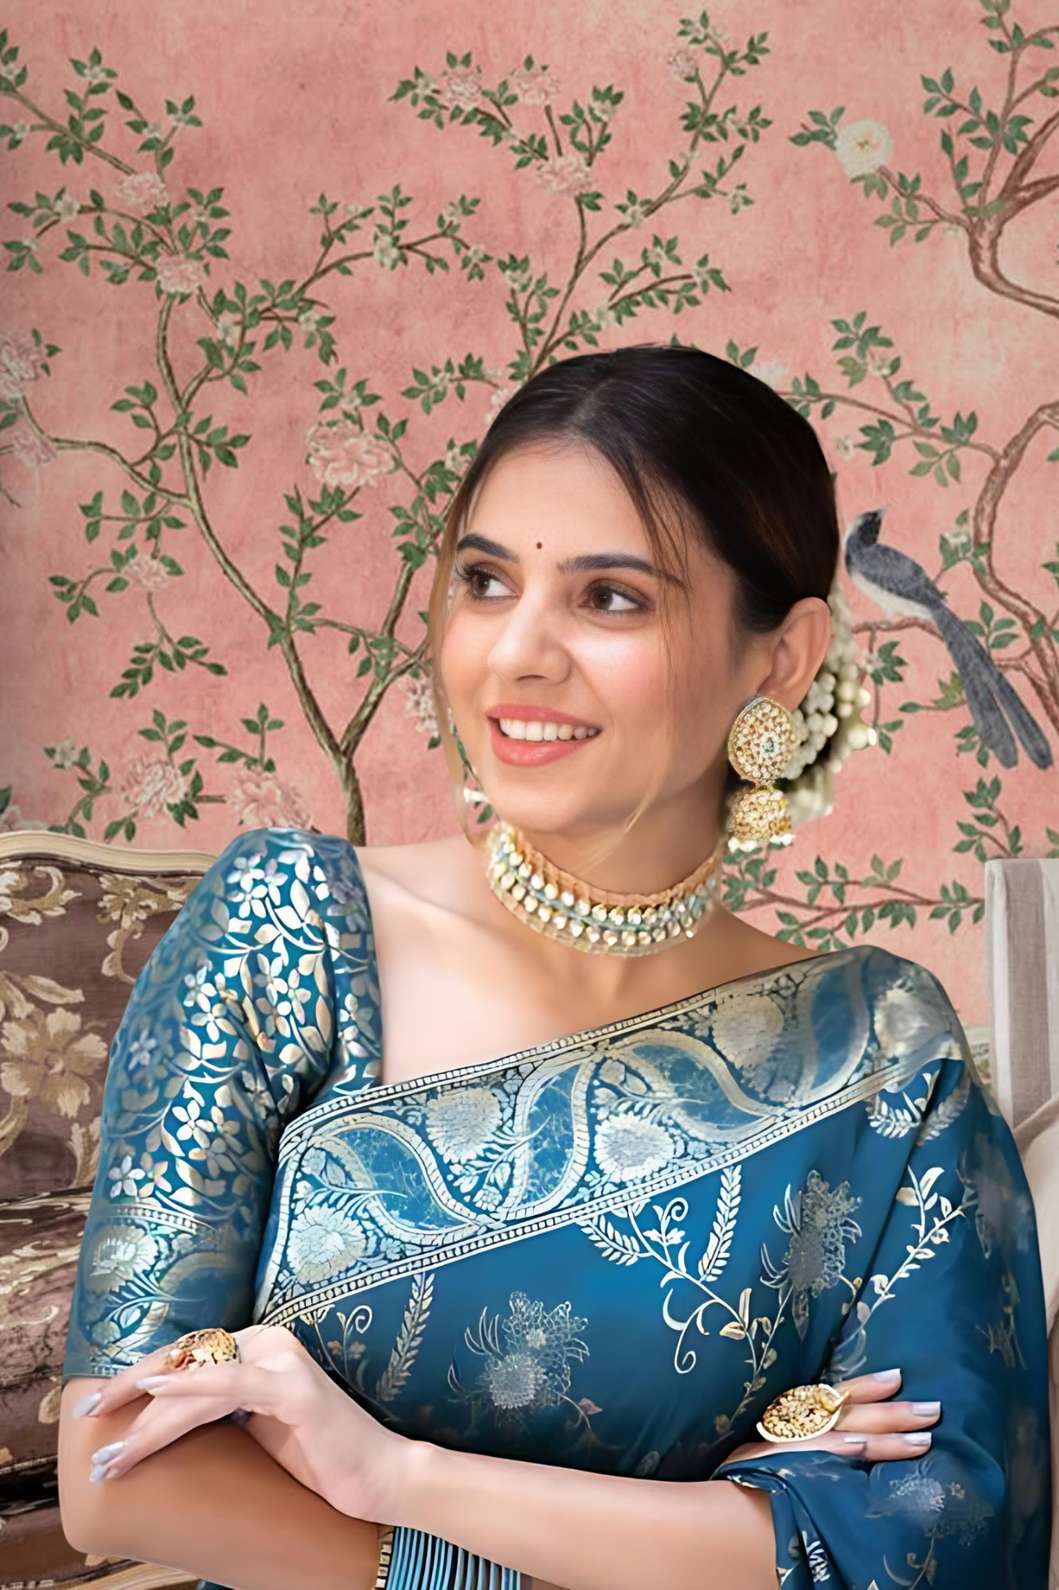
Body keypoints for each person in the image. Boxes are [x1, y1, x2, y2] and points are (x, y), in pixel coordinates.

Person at [58, 344, 1051, 1589]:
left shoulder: (874, 1050)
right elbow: (117, 1470)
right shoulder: (291, 930)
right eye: (484, 581)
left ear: (782, 659)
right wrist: (689, 1526)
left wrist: (399, 1478)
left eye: (611, 598)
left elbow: (927, 1535)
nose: (516, 653)